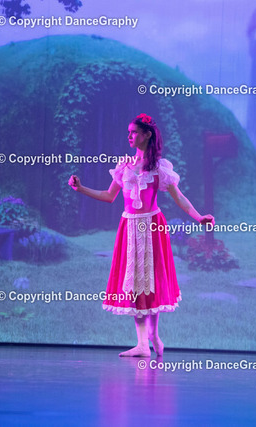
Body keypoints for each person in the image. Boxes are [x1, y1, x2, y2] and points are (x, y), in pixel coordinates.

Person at [68, 113, 214, 357]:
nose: (129, 136)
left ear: (147, 135)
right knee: (134, 282)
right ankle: (142, 344)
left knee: (152, 280)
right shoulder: (124, 166)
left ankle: (153, 335)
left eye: (134, 132)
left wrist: (199, 217)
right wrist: (81, 188)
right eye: (129, 132)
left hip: (152, 227)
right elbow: (109, 196)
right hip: (130, 227)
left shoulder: (159, 168)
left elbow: (179, 197)